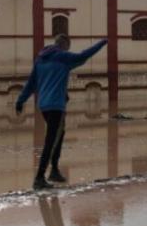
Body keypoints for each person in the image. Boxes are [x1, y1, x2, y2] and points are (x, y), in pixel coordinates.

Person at [16, 34, 107, 189]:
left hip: (44, 105)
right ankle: (39, 178)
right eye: (68, 47)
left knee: (59, 134)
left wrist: (20, 100)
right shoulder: (63, 57)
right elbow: (83, 55)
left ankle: (54, 171)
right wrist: (102, 43)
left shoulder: (40, 59)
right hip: (56, 105)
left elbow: (31, 83)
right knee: (51, 140)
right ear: (65, 45)